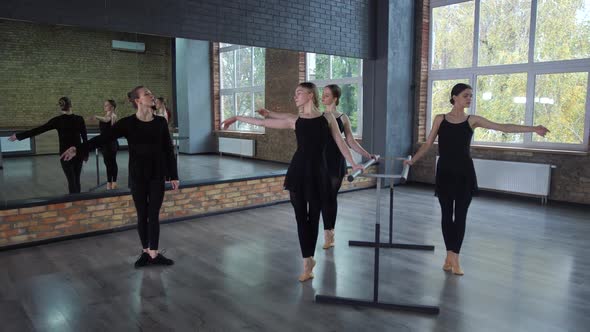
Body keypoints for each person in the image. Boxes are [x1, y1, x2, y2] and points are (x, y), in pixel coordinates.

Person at [222, 82, 364, 282]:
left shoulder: (328, 118)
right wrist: (236, 117)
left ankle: (309, 261)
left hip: (319, 174)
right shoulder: (294, 120)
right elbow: (263, 123)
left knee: (313, 218)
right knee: (300, 217)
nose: (295, 96)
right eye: (295, 93)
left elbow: (340, 142)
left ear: (310, 95)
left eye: (299, 93)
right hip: (298, 172)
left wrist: (353, 164)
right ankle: (307, 261)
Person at [405, 83, 549, 276]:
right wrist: (412, 160)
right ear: (455, 97)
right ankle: (449, 256)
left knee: (461, 215)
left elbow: (504, 127)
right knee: (447, 215)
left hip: (464, 172)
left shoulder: (472, 120)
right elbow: (428, 143)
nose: (470, 99)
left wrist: (533, 129)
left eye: (471, 96)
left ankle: (455, 257)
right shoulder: (440, 119)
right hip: (445, 172)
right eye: (466, 95)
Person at [61, 86, 179, 268]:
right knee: (142, 214)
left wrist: (174, 175)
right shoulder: (127, 123)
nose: (151, 95)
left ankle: (154, 254)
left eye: (151, 93)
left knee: (153, 214)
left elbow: (168, 151)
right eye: (147, 93)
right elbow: (102, 138)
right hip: (137, 176)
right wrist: (78, 149)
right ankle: (145, 251)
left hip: (157, 175)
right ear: (137, 100)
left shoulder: (160, 123)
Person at [259, 84, 376, 249]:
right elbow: (288, 117)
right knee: (319, 199)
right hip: (319, 161)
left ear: (335, 98)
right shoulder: (316, 115)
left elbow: (349, 141)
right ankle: (316, 238)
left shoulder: (342, 117)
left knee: (329, 198)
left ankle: (329, 232)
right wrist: (270, 113)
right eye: (322, 94)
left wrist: (364, 156)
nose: (323, 97)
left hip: (334, 161)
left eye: (327, 95)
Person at [9, 97, 87, 194]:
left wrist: (18, 136)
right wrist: (85, 154)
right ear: (71, 105)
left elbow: (38, 130)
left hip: (65, 154)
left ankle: (74, 202)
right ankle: (78, 201)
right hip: (78, 152)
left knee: (72, 181)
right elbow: (84, 138)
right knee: (76, 180)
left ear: (60, 107)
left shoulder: (57, 120)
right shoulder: (79, 119)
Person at [90, 99, 119, 190]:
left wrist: (96, 116)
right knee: (107, 163)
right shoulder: (105, 115)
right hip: (104, 143)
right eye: (105, 105)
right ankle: (108, 182)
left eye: (107, 105)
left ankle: (114, 182)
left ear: (112, 107)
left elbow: (106, 120)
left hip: (111, 143)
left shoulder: (113, 116)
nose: (104, 106)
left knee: (112, 162)